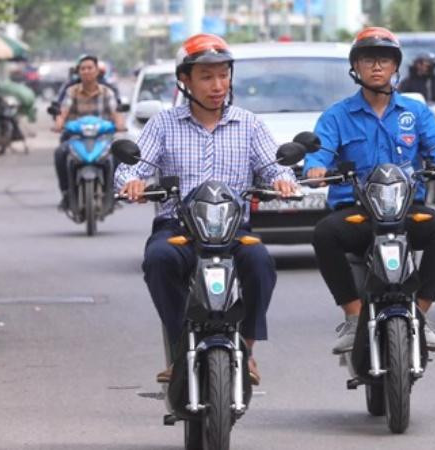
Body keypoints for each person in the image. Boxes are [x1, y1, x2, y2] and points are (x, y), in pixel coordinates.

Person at [114, 34, 298, 384]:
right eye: (206, 77)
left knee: (260, 263)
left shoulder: (250, 123)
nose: (217, 86)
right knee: (159, 260)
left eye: (223, 75)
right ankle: (182, 346)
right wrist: (131, 183)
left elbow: (276, 167)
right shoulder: (163, 124)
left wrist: (283, 181)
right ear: (185, 80)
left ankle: (246, 348)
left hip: (232, 231)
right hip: (178, 228)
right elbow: (132, 167)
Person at [304, 27, 435, 354]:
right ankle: (352, 317)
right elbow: (319, 152)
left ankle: (420, 314)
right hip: (357, 213)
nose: (376, 67)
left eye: (384, 60)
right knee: (324, 234)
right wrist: (316, 168)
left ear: (396, 67)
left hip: (406, 211)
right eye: (368, 60)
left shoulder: (415, 112)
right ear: (356, 68)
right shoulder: (337, 115)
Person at [53, 55, 125, 209]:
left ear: (97, 71)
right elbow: (63, 110)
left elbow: (116, 111)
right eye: (82, 69)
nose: (86, 71)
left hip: (102, 138)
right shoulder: (71, 91)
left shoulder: (107, 92)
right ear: (78, 72)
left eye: (89, 68)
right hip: (76, 138)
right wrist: (59, 123)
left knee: (118, 153)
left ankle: (116, 191)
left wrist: (119, 124)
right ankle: (66, 193)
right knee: (60, 153)